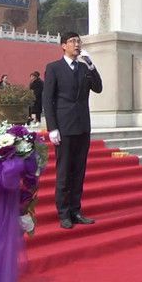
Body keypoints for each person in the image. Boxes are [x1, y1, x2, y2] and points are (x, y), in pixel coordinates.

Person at [42, 32, 103, 229]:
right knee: (64, 171)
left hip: (82, 126)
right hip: (64, 127)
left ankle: (76, 210)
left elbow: (98, 88)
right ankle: (63, 213)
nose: (77, 45)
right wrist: (52, 128)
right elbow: (47, 100)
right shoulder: (54, 68)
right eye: (72, 42)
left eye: (78, 41)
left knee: (79, 171)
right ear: (63, 46)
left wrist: (91, 64)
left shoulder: (84, 68)